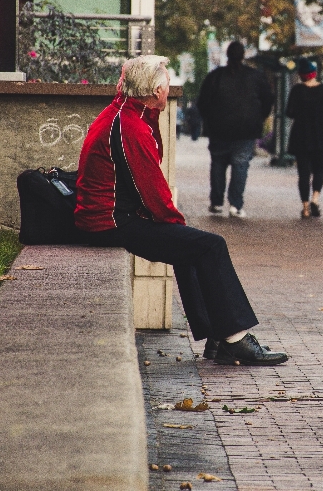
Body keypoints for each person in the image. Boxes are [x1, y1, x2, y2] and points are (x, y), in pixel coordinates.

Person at [74, 55, 287, 366]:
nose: (169, 89)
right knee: (208, 245)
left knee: (191, 246)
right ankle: (235, 340)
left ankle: (219, 338)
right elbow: (153, 189)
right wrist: (178, 226)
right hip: (110, 221)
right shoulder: (130, 126)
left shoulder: (126, 112)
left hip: (109, 216)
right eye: (166, 84)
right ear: (156, 91)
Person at [196, 41, 274, 218]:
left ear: (227, 56)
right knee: (240, 165)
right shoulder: (255, 77)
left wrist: (211, 119)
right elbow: (268, 100)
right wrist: (258, 117)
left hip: (219, 129)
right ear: (243, 56)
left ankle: (216, 202)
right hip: (246, 129)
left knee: (218, 164)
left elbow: (203, 102)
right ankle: (236, 204)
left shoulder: (215, 77)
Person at [286, 58, 323, 218]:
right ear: (314, 74)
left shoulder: (297, 90)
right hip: (320, 136)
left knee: (303, 173)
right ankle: (315, 198)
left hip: (301, 137)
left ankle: (306, 208)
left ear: (301, 75)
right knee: (319, 170)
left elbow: (289, 112)